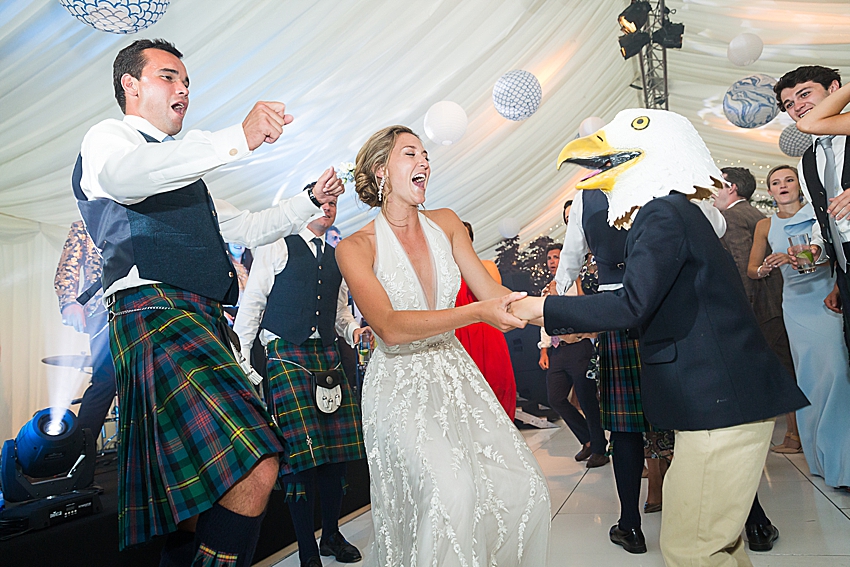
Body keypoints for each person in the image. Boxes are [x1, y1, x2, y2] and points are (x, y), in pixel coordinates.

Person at [72, 38, 344, 566]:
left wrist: (308, 200)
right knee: (255, 464)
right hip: (152, 313)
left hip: (201, 319)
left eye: (187, 82)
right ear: (130, 85)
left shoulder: (183, 173)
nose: (184, 89)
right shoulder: (110, 138)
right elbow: (126, 179)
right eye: (169, 77)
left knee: (198, 494)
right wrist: (234, 139)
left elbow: (248, 227)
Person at [514, 108, 809, 567]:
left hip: (719, 402)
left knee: (691, 546)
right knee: (713, 542)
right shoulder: (673, 210)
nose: (593, 161)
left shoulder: (661, 213)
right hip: (712, 401)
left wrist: (542, 310)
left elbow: (633, 302)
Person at [335, 125, 550, 566]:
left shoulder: (448, 223)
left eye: (426, 154)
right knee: (453, 493)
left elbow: (493, 294)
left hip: (455, 373)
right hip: (398, 384)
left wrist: (567, 313)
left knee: (521, 487)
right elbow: (390, 328)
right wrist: (474, 315)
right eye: (410, 153)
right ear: (381, 171)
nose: (425, 162)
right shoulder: (355, 248)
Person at [233, 184, 367, 567]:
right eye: (322, 200)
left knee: (334, 457)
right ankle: (307, 548)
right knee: (300, 459)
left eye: (334, 202)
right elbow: (252, 305)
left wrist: (353, 331)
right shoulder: (276, 244)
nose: (329, 207)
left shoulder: (339, 256)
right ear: (305, 204)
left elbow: (341, 314)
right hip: (285, 355)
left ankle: (332, 536)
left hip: (326, 355)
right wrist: (244, 362)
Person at [748, 165, 850, 491]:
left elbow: (832, 254)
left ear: (799, 185)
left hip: (825, 299)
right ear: (770, 190)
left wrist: (807, 257)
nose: (783, 186)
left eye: (788, 179)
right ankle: (819, 462)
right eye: (775, 182)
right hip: (794, 307)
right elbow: (752, 270)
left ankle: (842, 463)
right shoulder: (765, 225)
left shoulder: (819, 213)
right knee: (807, 379)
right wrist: (767, 265)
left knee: (835, 374)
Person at [713, 166, 791, 551]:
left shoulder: (732, 217)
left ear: (730, 188)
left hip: (761, 308)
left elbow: (748, 270)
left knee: (779, 371)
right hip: (775, 303)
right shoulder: (753, 214)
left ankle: (792, 434)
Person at [775, 66, 850, 354]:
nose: (797, 107)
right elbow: (825, 216)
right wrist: (819, 248)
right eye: (789, 104)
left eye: (804, 94)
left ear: (834, 89)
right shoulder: (805, 163)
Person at [539, 238, 608, 468]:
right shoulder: (547, 288)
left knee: (587, 399)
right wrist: (544, 350)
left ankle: (599, 449)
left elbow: (584, 308)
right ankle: (587, 439)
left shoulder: (577, 282)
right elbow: (543, 321)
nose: (552, 261)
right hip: (558, 350)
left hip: (579, 346)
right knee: (556, 398)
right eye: (549, 258)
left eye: (556, 257)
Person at [53, 220, 116, 440]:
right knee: (105, 381)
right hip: (102, 311)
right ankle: (80, 454)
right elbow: (67, 267)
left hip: (141, 307)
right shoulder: (86, 223)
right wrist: (69, 301)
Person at [454, 221, 518, 419]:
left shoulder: (486, 265)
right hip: (459, 334)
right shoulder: (445, 273)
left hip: (486, 332)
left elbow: (493, 295)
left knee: (496, 383)